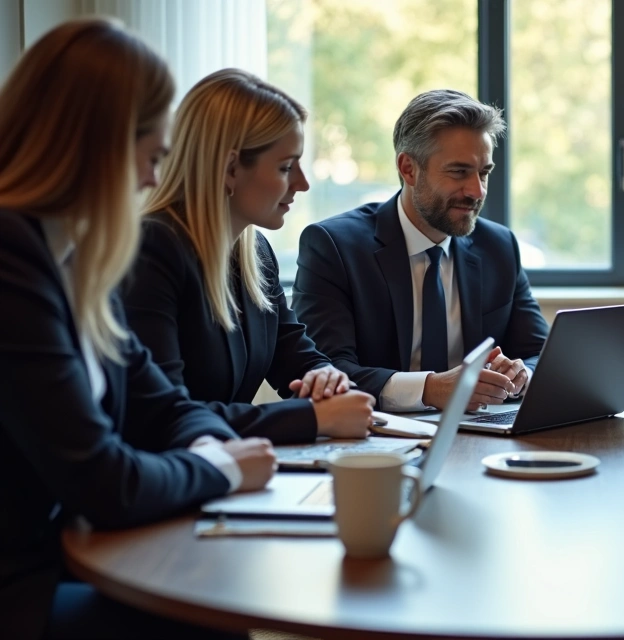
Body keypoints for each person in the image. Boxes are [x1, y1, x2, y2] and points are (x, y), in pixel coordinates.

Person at [0, 19, 275, 639]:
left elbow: (165, 404)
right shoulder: (11, 256)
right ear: (95, 147)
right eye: (151, 157)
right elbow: (102, 479)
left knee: (214, 592)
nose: (153, 179)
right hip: (21, 585)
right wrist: (225, 469)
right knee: (208, 613)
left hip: (67, 554)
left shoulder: (76, 258)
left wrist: (209, 443)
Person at [123, 69, 375, 444]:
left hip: (226, 466)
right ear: (230, 169)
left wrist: (326, 379)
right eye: (286, 167)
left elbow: (297, 357)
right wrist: (312, 418)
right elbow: (162, 416)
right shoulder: (152, 249)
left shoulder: (254, 252)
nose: (303, 183)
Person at [293, 89, 549, 412]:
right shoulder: (334, 247)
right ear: (408, 169)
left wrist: (522, 374)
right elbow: (325, 371)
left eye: (484, 173)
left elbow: (540, 353)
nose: (477, 191)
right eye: (459, 172)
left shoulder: (498, 247)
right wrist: (429, 389)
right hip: (374, 434)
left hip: (478, 431)